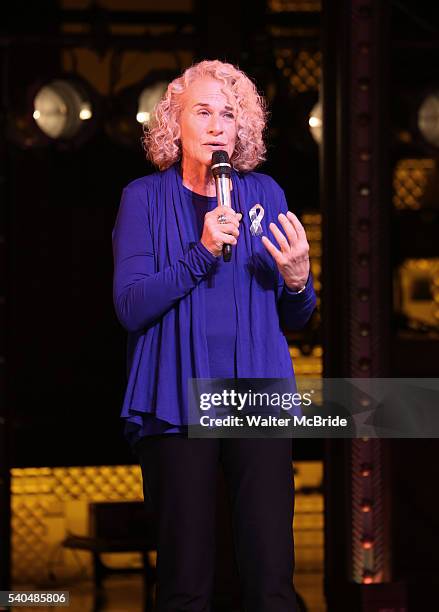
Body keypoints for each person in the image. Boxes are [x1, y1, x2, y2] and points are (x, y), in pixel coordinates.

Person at [112, 59, 317, 612]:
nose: (218, 124)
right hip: (176, 401)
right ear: (173, 123)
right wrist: (201, 252)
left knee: (272, 578)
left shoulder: (266, 193)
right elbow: (130, 307)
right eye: (203, 111)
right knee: (185, 584)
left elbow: (297, 314)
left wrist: (299, 282)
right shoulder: (143, 198)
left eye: (230, 114)